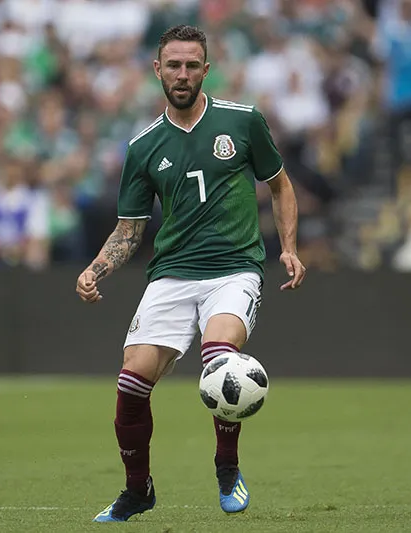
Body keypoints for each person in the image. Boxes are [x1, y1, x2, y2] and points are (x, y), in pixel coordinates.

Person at [75, 25, 306, 523]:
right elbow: (129, 229)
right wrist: (96, 268)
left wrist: (287, 247)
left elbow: (281, 186)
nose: (183, 75)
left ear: (207, 69)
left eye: (192, 65)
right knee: (131, 385)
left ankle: (227, 466)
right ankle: (138, 491)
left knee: (220, 359)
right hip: (171, 274)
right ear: (157, 70)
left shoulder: (243, 123)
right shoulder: (142, 147)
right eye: (173, 65)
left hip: (234, 269)